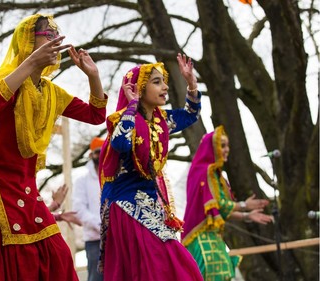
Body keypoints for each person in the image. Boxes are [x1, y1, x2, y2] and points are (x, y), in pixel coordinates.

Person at [0, 13, 107, 281]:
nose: (56, 39)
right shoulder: (5, 80)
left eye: (57, 33)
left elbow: (96, 115)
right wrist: (30, 62)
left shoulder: (50, 93)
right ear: (27, 41)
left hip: (27, 190)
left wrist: (93, 76)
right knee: (16, 266)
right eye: (48, 34)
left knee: (58, 256)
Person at [98, 54, 204, 280]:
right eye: (157, 82)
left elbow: (191, 114)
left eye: (164, 81)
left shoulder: (161, 121)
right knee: (159, 265)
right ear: (139, 88)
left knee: (167, 266)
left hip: (151, 205)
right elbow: (120, 143)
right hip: (127, 207)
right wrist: (132, 106)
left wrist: (191, 83)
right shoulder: (124, 119)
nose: (165, 87)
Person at [181, 125, 273, 281]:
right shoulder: (205, 172)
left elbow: (220, 211)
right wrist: (243, 206)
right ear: (212, 148)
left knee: (225, 275)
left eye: (227, 145)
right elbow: (217, 204)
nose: (226, 149)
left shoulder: (214, 174)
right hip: (201, 239)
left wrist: (246, 216)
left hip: (213, 237)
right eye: (222, 145)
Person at [72, 137, 105, 281]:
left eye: (103, 152)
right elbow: (79, 209)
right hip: (94, 240)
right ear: (91, 155)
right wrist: (100, 226)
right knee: (96, 277)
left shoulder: (113, 177)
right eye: (98, 152)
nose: (101, 155)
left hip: (116, 238)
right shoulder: (82, 181)